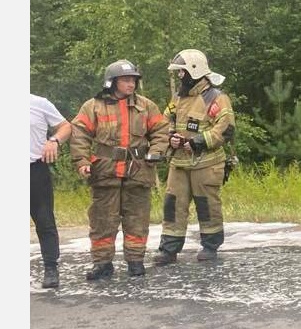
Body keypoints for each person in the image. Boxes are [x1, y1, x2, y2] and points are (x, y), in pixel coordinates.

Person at [69, 60, 171, 280]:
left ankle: (135, 262)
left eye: (133, 80)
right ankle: (102, 264)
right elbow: (79, 134)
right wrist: (82, 161)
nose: (131, 84)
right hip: (105, 171)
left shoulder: (146, 106)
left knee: (137, 218)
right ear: (112, 82)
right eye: (126, 80)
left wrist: (156, 150)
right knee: (102, 220)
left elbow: (161, 130)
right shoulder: (93, 106)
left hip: (139, 171)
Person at [153, 49, 236, 264]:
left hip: (206, 165)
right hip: (179, 163)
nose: (180, 76)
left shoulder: (216, 98)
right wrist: (170, 136)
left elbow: (225, 129)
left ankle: (210, 247)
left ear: (194, 70)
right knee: (173, 205)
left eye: (182, 72)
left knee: (207, 205)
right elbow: (165, 121)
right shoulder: (178, 98)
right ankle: (168, 249)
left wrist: (197, 142)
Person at [31, 94, 73, 289]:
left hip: (34, 169)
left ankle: (50, 268)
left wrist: (54, 140)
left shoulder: (38, 103)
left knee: (44, 219)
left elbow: (66, 126)